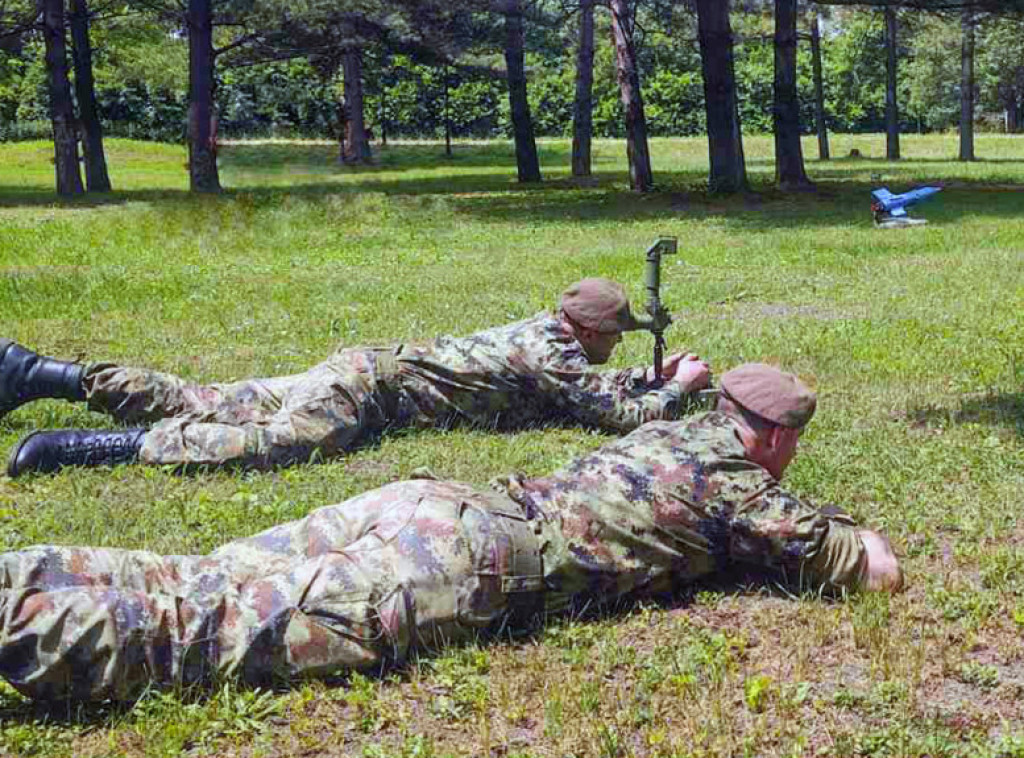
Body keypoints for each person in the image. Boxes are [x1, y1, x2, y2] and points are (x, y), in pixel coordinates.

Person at [0, 364, 902, 701]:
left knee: (206, 572)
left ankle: (24, 571)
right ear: (777, 437)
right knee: (213, 628)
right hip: (462, 562)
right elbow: (875, 573)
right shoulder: (744, 489)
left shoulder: (667, 430)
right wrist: (839, 526)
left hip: (424, 503)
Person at [1, 279, 711, 476]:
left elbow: (584, 392)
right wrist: (677, 388)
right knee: (277, 444)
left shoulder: (541, 332)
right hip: (364, 391)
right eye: (614, 339)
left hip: (359, 366)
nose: (617, 350)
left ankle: (39, 372)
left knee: (208, 397)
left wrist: (654, 377)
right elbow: (617, 417)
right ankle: (85, 449)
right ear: (587, 330)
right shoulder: (554, 356)